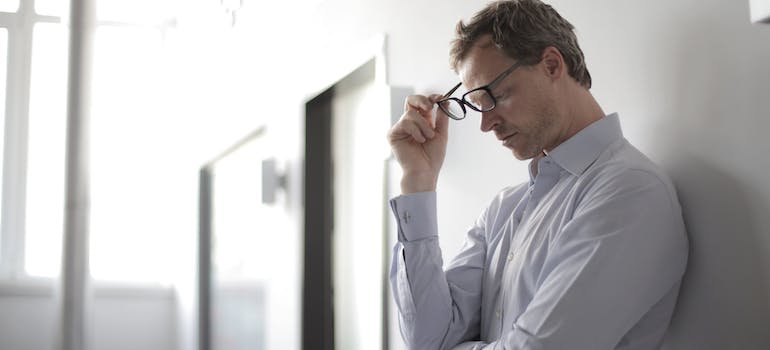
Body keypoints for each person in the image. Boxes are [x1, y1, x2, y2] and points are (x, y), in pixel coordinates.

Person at [385, 1, 689, 349]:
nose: (486, 124)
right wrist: (417, 179)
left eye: (494, 96)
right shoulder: (503, 210)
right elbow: (427, 339)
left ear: (551, 65)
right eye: (476, 106)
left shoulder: (630, 192)